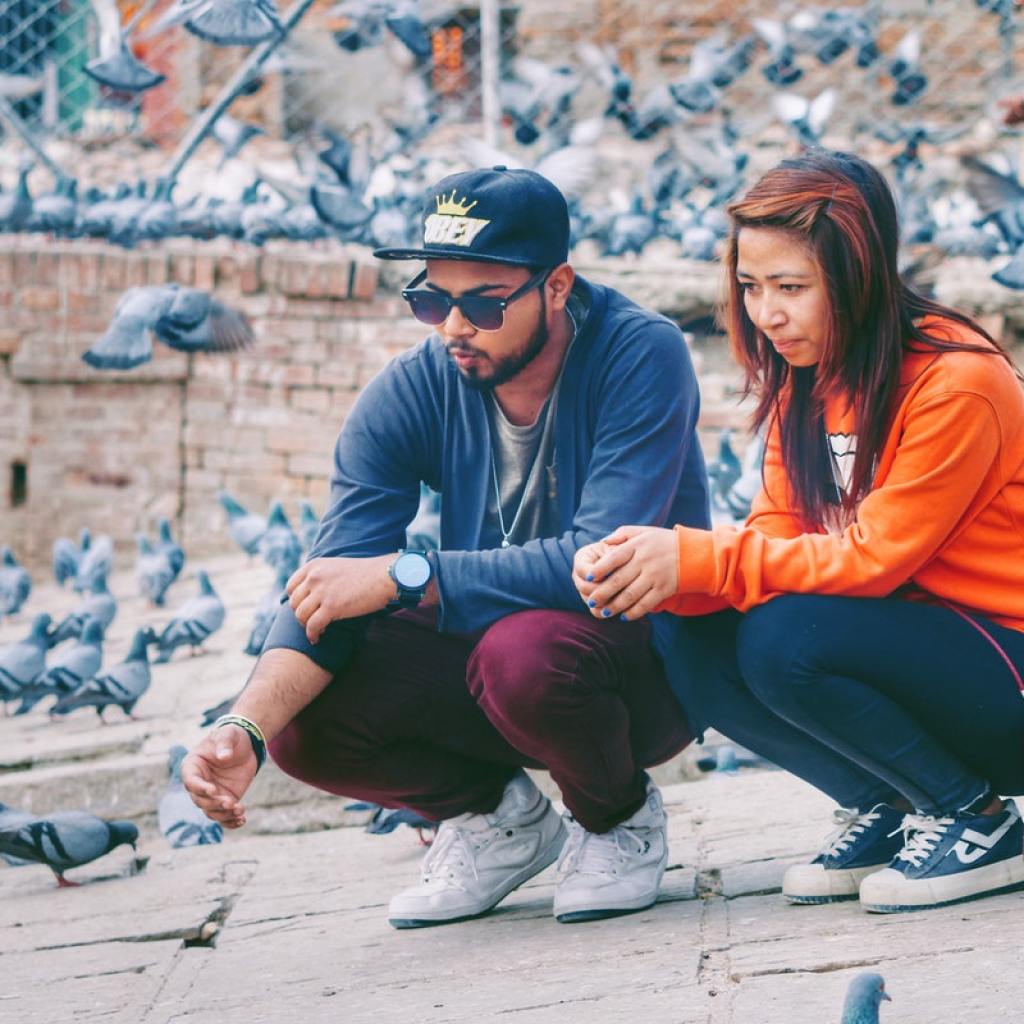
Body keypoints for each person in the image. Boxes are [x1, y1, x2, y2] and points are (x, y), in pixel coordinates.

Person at [181, 166, 710, 928]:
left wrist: (408, 575)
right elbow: (329, 583)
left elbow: (600, 562)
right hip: (498, 664)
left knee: (523, 653)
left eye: (484, 303)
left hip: (644, 666)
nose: (453, 326)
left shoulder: (640, 354)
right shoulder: (413, 387)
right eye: (432, 300)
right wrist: (245, 729)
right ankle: (500, 823)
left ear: (556, 287)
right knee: (301, 717)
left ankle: (616, 817)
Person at [573, 149, 1024, 914]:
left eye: (792, 288)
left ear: (859, 278)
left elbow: (876, 559)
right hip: (929, 649)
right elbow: (777, 534)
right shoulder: (805, 380)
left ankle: (974, 818)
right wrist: (669, 576)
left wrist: (695, 554)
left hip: (1004, 661)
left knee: (789, 637)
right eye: (751, 287)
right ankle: (893, 801)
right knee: (690, 626)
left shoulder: (959, 381)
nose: (766, 313)